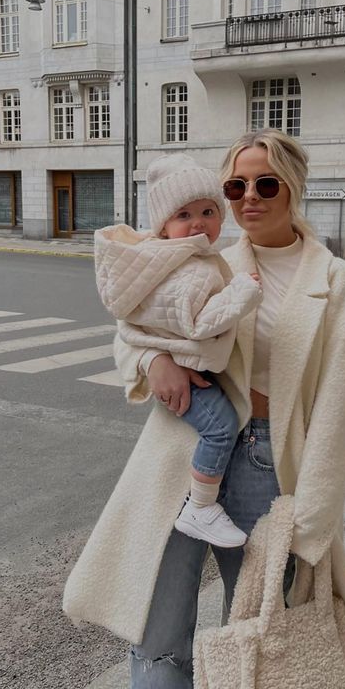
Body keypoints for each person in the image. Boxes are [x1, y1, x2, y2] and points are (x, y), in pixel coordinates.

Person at [64, 129, 345, 689]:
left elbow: (337, 407)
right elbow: (132, 322)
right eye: (235, 186)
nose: (248, 197)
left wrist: (311, 520)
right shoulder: (204, 254)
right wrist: (150, 361)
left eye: (265, 184)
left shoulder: (334, 279)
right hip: (182, 456)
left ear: (293, 187)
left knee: (255, 633)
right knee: (159, 628)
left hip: (270, 467)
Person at [93, 153, 262, 548]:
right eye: (184, 215)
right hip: (187, 433)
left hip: (263, 444)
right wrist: (153, 360)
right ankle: (201, 509)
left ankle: (202, 509)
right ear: (164, 228)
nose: (199, 222)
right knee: (167, 584)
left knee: (249, 579)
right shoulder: (192, 264)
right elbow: (137, 329)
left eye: (207, 210)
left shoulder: (192, 259)